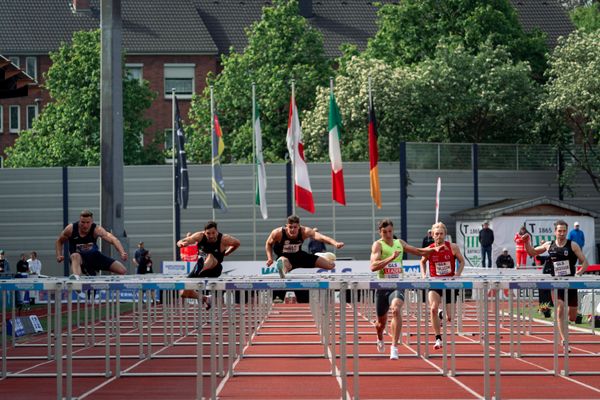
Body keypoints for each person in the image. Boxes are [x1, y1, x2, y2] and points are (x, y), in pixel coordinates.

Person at [371, 219, 442, 360]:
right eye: (384, 232)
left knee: (396, 309)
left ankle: (394, 347)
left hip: (398, 285)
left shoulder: (400, 243)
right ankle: (379, 337)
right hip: (382, 287)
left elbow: (417, 251)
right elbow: (373, 266)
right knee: (380, 324)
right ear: (380, 232)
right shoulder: (378, 245)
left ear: (393, 231)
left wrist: (433, 249)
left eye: (390, 231)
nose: (388, 234)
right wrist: (391, 258)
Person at [523, 219, 589, 349]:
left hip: (571, 283)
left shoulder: (573, 245)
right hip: (556, 283)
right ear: (555, 232)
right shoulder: (549, 245)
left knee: (573, 317)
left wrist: (579, 273)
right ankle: (564, 340)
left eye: (564, 231)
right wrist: (526, 242)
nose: (562, 233)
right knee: (560, 307)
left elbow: (585, 263)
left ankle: (565, 318)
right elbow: (531, 252)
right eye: (559, 231)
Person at [420, 222, 465, 350]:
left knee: (450, 317)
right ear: (432, 235)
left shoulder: (453, 247)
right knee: (433, 308)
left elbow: (462, 261)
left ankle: (442, 316)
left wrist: (457, 274)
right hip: (434, 283)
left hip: (449, 283)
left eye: (441, 234)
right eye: (436, 234)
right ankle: (438, 338)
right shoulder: (430, 249)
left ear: (445, 235)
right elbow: (422, 262)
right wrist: (424, 275)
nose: (439, 236)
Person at [176, 221, 241, 305]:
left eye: (213, 233)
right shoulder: (200, 236)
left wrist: (228, 252)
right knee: (183, 293)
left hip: (215, 268)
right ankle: (205, 298)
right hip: (199, 267)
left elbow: (237, 243)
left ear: (217, 231)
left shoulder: (224, 239)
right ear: (204, 232)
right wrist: (181, 244)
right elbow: (182, 241)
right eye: (208, 233)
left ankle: (201, 270)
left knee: (210, 256)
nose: (211, 236)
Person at [55, 209, 128, 279]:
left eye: (88, 222)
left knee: (122, 270)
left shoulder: (97, 229)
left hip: (94, 257)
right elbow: (59, 241)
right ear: (79, 221)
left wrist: (122, 252)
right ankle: (76, 280)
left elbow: (113, 239)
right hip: (79, 260)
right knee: (74, 255)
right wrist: (59, 255)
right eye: (82, 222)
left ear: (92, 222)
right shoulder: (70, 229)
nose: (85, 225)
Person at [265, 215, 344, 278]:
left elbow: (321, 237)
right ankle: (283, 271)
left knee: (331, 265)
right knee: (282, 264)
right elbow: (268, 243)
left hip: (300, 256)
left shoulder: (305, 231)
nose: (292, 230)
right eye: (290, 227)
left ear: (299, 226)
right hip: (285, 258)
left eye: (295, 227)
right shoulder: (278, 233)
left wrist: (335, 243)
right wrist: (270, 258)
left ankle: (318, 255)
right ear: (286, 226)